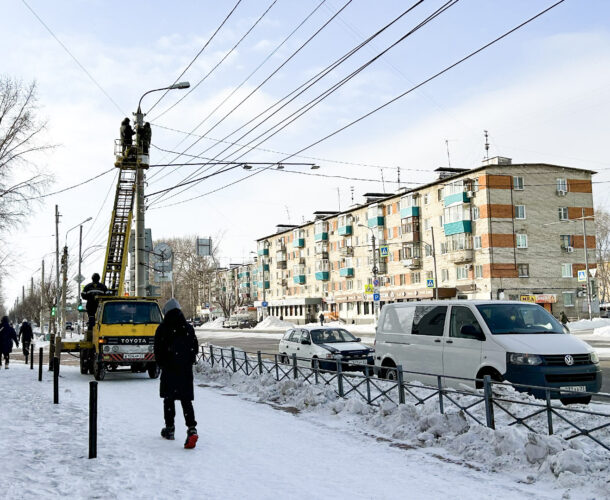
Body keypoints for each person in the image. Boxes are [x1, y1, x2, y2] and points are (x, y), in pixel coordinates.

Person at [154, 298, 199, 449]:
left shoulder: (162, 328)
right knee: (186, 401)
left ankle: (170, 428)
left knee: (169, 399)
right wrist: (188, 361)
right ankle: (191, 428)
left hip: (169, 370)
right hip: (185, 371)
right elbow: (195, 347)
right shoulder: (188, 328)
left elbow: (157, 351)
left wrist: (164, 364)